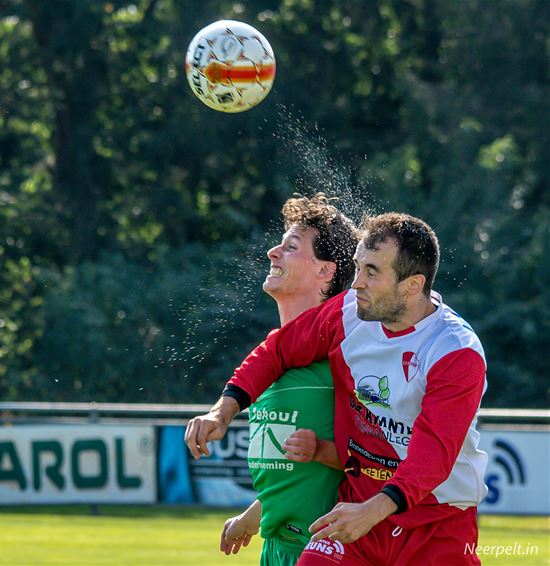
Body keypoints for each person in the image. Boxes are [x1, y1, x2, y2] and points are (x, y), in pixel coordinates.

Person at [185, 212, 488, 565]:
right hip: (356, 511)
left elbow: (431, 457)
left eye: (372, 272)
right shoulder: (348, 312)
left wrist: (371, 512)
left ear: (412, 284)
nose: (356, 283)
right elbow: (276, 351)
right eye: (358, 267)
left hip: (436, 523)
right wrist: (222, 412)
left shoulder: (455, 351)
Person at [190, 193, 360, 565]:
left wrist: (321, 450)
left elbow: (377, 457)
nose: (273, 252)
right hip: (276, 548)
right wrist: (253, 517)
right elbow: (297, 472)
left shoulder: (347, 356)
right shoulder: (270, 362)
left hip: (327, 551)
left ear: (325, 271)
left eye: (291, 246)